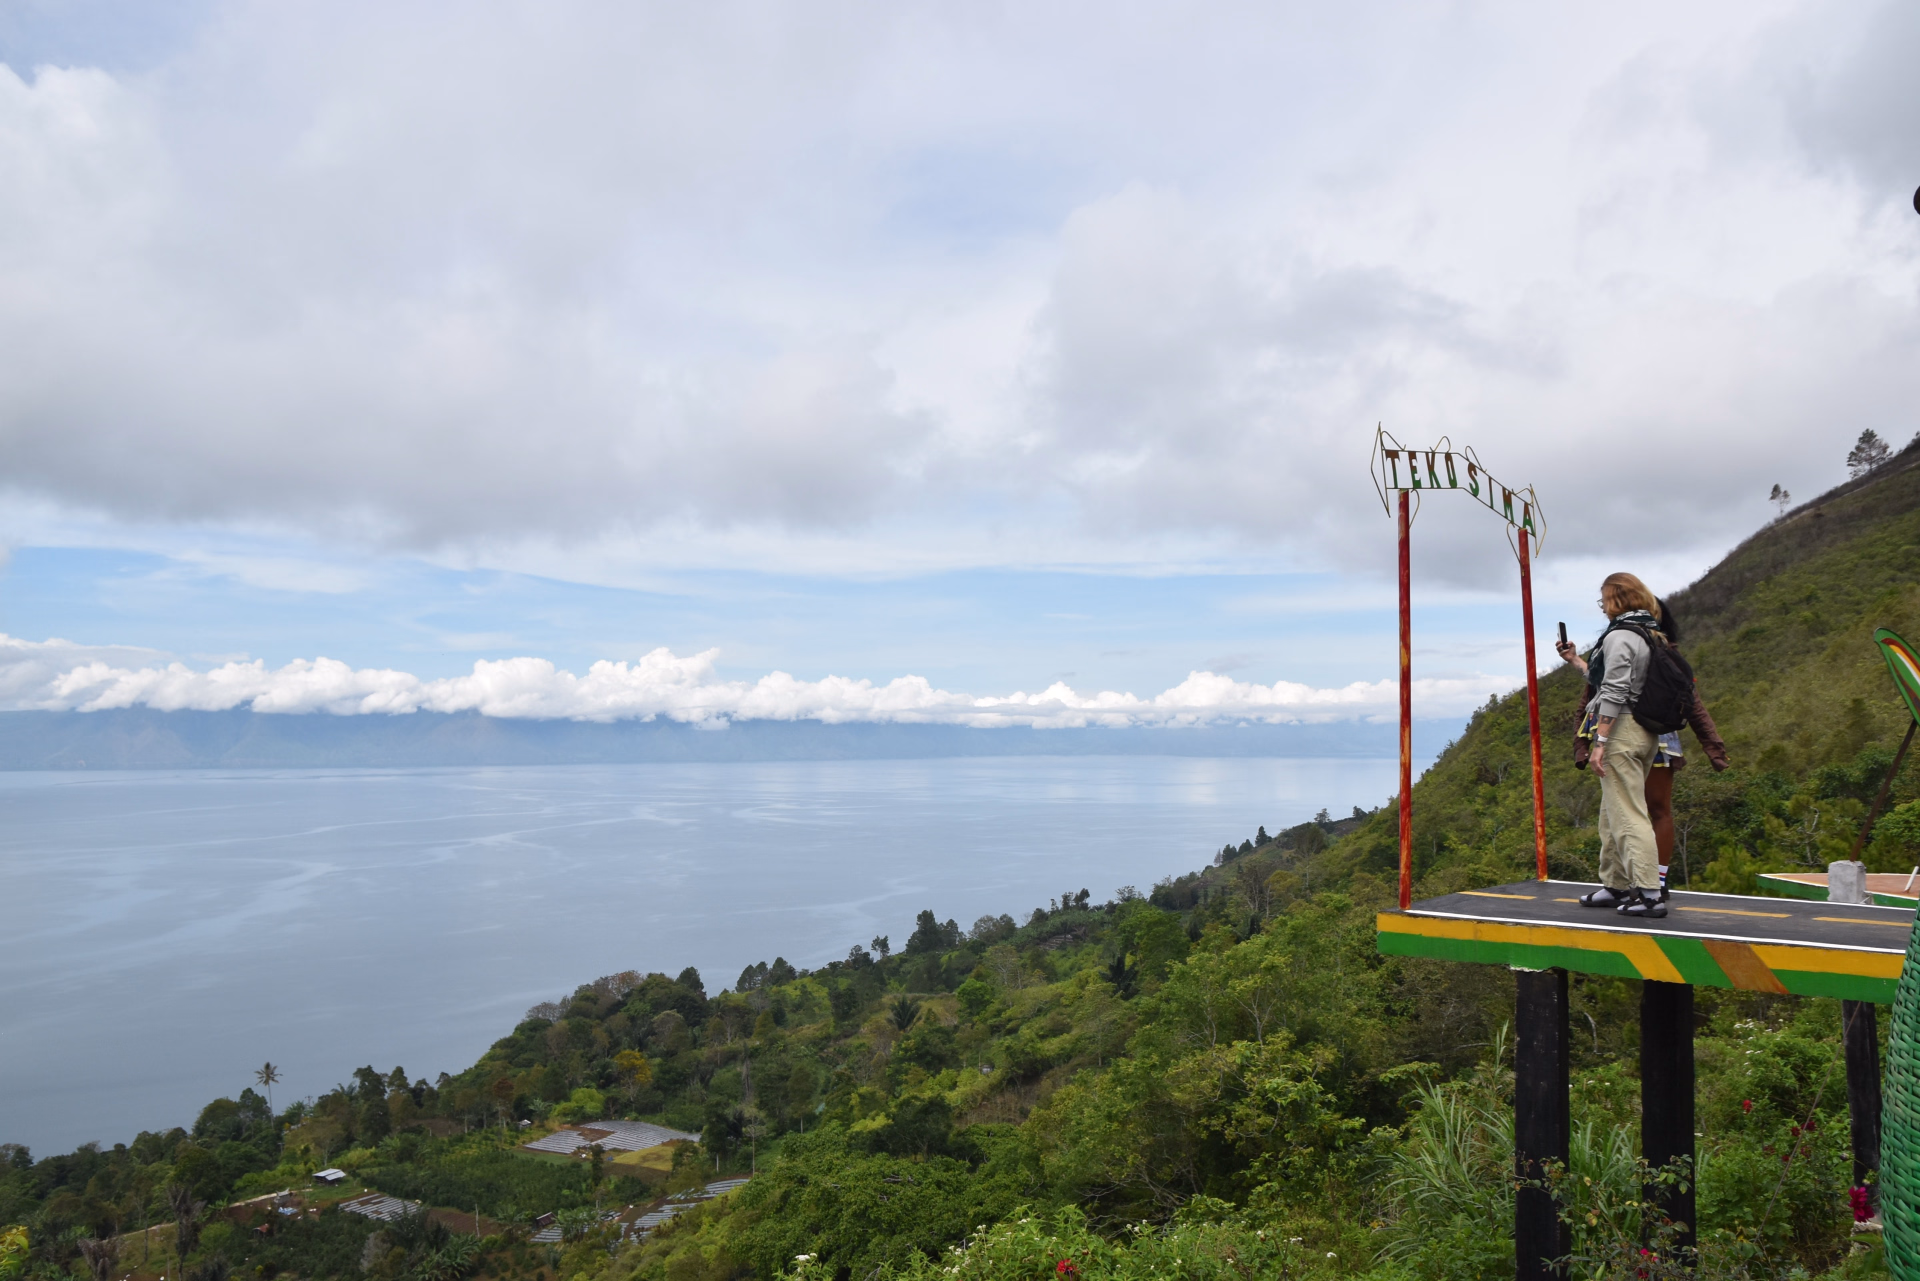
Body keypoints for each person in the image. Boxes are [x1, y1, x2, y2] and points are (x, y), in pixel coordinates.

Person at [1558, 598, 1730, 900]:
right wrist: (1575, 660)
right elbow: (1605, 685)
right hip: (1633, 734)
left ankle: (1653, 884)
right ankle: (1625, 884)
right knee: (1625, 810)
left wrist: (1713, 745)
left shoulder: (1655, 649)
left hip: (1639, 735)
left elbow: (1691, 701)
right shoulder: (1637, 644)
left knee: (1648, 810)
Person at [1559, 572, 1667, 918]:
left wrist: (1601, 741)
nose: (1603, 607)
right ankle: (1617, 884)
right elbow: (1607, 678)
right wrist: (1577, 661)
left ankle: (1650, 894)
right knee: (1612, 811)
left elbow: (1616, 690)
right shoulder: (1648, 633)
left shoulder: (1621, 635)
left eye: (1604, 599)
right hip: (1643, 730)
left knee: (1629, 815)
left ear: (1617, 599)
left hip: (1622, 730)